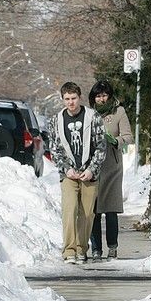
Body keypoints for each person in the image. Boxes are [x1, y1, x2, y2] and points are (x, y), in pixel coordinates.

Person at [48, 81, 106, 264]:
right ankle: (69, 251)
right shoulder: (56, 120)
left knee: (87, 214)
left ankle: (81, 248)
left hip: (89, 173)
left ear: (79, 97)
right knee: (70, 209)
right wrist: (67, 169)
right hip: (69, 174)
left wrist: (91, 169)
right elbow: (54, 149)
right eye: (67, 99)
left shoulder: (93, 117)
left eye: (73, 98)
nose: (70, 102)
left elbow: (101, 146)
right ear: (62, 99)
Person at [88, 80, 134, 260]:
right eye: (98, 96)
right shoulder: (89, 114)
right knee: (94, 209)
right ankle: (96, 249)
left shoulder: (118, 112)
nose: (101, 99)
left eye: (104, 95)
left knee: (111, 209)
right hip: (93, 167)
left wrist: (116, 141)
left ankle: (112, 247)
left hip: (112, 166)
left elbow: (128, 136)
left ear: (110, 96)